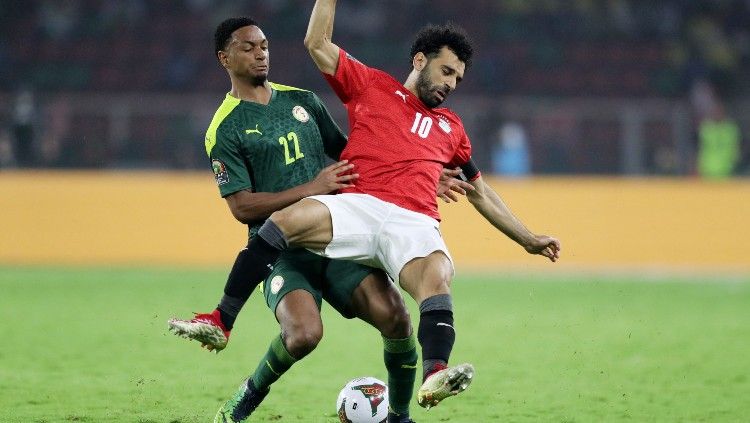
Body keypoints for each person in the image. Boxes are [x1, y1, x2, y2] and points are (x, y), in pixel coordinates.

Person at [165, 17, 467, 423]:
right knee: (305, 335)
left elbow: (357, 154)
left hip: (339, 237)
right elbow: (241, 208)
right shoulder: (224, 128)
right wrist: (312, 187)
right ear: (224, 58)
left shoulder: (303, 101)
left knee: (397, 319)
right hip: (282, 251)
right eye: (249, 47)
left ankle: (400, 417)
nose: (261, 53)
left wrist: (420, 172)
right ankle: (243, 399)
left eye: (265, 46)